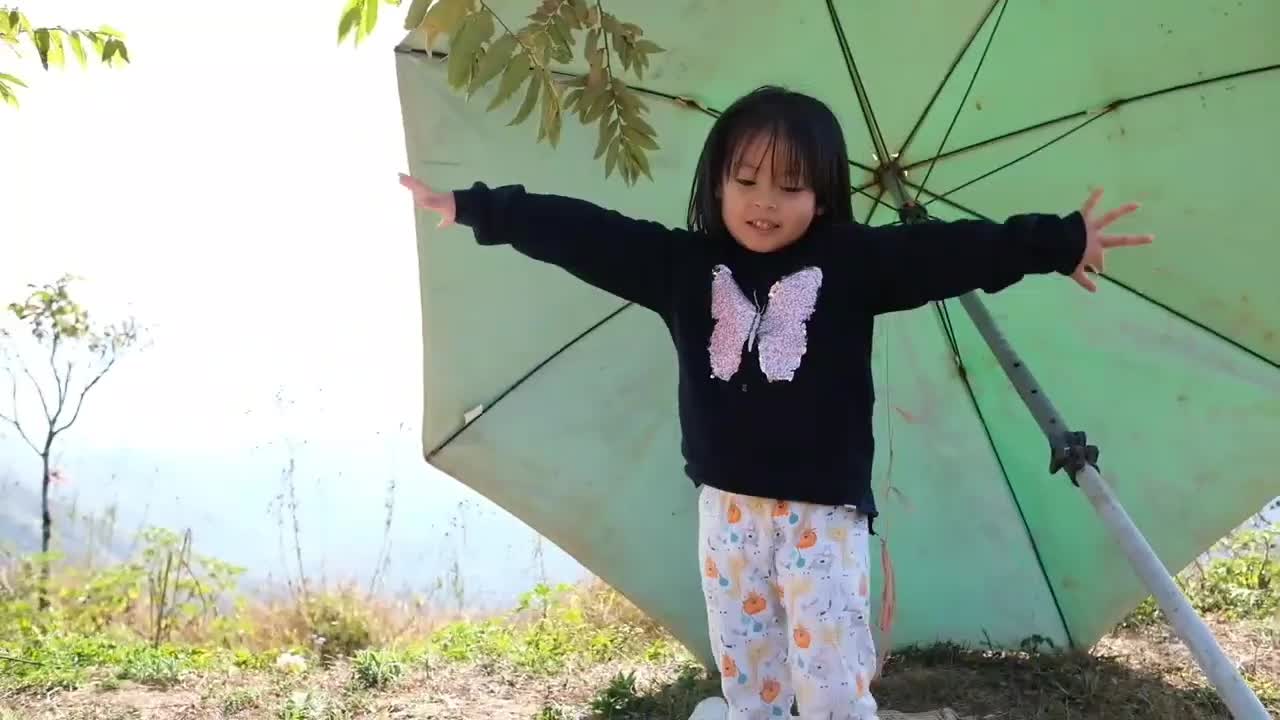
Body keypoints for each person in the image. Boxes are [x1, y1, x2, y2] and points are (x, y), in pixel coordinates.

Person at [398, 86, 1152, 719]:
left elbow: (954, 250)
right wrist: (480, 209)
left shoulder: (853, 263)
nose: (764, 203)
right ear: (715, 182)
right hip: (725, 511)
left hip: (823, 515)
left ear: (822, 194)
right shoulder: (680, 265)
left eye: (790, 186)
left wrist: (1058, 240)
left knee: (828, 680)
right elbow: (585, 233)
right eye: (746, 180)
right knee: (748, 673)